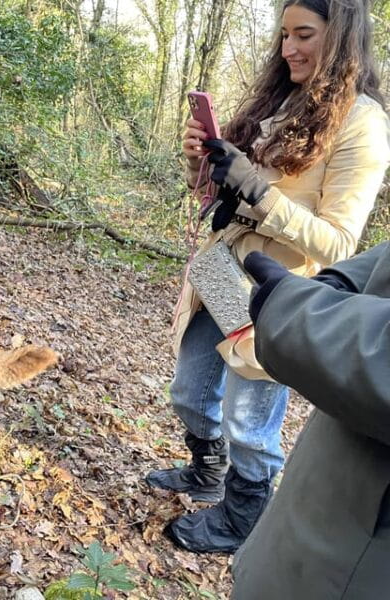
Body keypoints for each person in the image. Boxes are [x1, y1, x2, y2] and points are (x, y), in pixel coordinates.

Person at [146, 0, 390, 554]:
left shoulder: (363, 122)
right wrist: (199, 163)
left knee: (248, 419)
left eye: (304, 35)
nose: (288, 49)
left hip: (272, 292)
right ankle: (205, 471)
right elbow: (212, 196)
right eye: (283, 35)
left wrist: (258, 188)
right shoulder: (282, 99)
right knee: (189, 391)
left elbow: (338, 243)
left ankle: (242, 517)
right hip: (219, 273)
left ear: (343, 38)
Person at [227, 246, 390, 599]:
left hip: (357, 564)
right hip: (328, 505)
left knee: (249, 429)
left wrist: (299, 309)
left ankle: (238, 511)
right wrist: (335, 282)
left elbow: (336, 237)